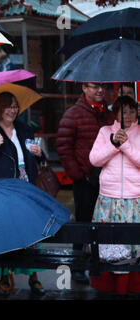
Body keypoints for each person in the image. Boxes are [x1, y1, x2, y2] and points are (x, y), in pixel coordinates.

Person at [0, 92, 45, 296]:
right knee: (4, 232)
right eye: (8, 106)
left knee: (30, 232)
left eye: (14, 106)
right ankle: (5, 273)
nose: (12, 110)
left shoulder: (24, 129)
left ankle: (33, 275)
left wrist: (40, 155)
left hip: (25, 185)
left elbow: (35, 157)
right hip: (1, 189)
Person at [56, 82, 115, 284]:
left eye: (103, 87)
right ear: (84, 87)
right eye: (94, 86)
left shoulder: (109, 114)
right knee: (83, 221)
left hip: (108, 178)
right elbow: (63, 146)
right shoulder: (73, 114)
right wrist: (78, 175)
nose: (100, 90)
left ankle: (100, 265)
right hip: (85, 179)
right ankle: (79, 266)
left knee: (104, 222)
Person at [88, 96, 140, 295]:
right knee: (110, 248)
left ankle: (131, 288)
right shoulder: (105, 131)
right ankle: (108, 288)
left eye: (131, 111)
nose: (128, 115)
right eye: (123, 111)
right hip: (108, 199)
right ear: (116, 113)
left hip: (134, 198)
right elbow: (94, 159)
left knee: (131, 250)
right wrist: (113, 143)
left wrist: (126, 145)